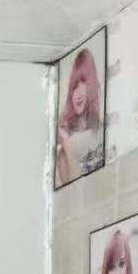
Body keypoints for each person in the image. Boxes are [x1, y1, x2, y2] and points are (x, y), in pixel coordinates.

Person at [55, 47, 103, 185]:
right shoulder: (63, 134)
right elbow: (71, 191)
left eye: (84, 82)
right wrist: (66, 144)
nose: (79, 93)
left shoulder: (99, 131)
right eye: (75, 85)